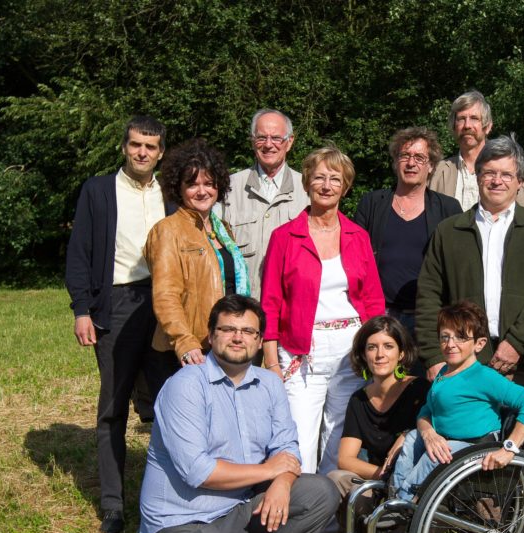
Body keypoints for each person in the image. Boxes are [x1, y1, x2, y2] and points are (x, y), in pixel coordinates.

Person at [138, 295, 339, 533]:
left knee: (320, 491)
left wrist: (282, 483)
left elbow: (287, 448)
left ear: (260, 340)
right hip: (187, 519)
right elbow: (198, 471)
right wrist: (270, 472)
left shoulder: (270, 383)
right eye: (228, 329)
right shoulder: (185, 386)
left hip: (240, 506)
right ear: (211, 335)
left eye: (248, 331)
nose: (238, 337)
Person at [416, 134, 524, 533]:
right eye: (489, 173)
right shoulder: (451, 231)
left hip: (523, 356)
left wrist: (517, 342)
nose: (497, 181)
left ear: (520, 182)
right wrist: (432, 356)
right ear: (477, 177)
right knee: (476, 445)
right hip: (466, 363)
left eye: (506, 174)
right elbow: (428, 294)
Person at [65, 115, 177, 533]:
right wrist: (81, 309)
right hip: (116, 303)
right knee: (113, 406)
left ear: (161, 152)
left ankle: (169, 491)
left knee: (169, 402)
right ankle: (113, 504)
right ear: (124, 147)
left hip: (165, 300)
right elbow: (79, 254)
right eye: (135, 145)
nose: (142, 152)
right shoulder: (98, 191)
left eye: (150, 146)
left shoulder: (172, 192)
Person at [260, 144, 385, 485]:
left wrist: (377, 353)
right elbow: (270, 302)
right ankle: (299, 521)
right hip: (302, 351)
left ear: (345, 187)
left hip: (351, 350)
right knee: (298, 438)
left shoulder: (358, 237)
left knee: (340, 439)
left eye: (335, 179)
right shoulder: (284, 237)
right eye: (319, 177)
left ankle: (331, 529)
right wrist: (272, 363)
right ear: (306, 183)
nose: (327, 185)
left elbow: (374, 302)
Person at [392, 301, 524, 501]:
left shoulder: (483, 376)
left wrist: (510, 448)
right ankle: (393, 496)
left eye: (460, 337)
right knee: (413, 438)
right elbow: (425, 411)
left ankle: (401, 503)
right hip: (446, 440)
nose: (450, 344)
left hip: (474, 446)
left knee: (436, 455)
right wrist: (428, 433)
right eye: (445, 337)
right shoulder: (443, 374)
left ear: (479, 344)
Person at [326, 315, 430, 533]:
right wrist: (383, 476)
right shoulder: (359, 400)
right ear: (363, 355)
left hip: (416, 489)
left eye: (388, 346)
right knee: (335, 479)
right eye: (372, 347)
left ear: (402, 353)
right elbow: (345, 458)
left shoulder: (419, 389)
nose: (380, 354)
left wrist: (408, 435)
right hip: (379, 481)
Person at [144, 139, 249, 370]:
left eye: (209, 183)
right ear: (178, 188)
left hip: (224, 344)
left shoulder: (223, 230)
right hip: (189, 352)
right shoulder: (167, 230)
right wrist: (184, 340)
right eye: (192, 184)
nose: (202, 191)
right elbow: (165, 294)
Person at [353, 127, 462, 331]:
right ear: (395, 162)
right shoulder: (371, 204)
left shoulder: (449, 209)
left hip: (428, 317)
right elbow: (354, 260)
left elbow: (457, 266)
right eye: (405, 156)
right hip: (380, 315)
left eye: (420, 157)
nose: (411, 163)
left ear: (431, 166)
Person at [217, 109, 309, 299]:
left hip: (290, 307)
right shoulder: (228, 189)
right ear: (252, 141)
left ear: (289, 142)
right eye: (261, 138)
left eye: (276, 138)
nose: (268, 145)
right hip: (243, 309)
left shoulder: (307, 191)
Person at [429, 90, 524, 210]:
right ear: (454, 127)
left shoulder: (513, 168)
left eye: (474, 118)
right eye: (461, 119)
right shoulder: (437, 171)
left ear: (487, 127)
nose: (467, 125)